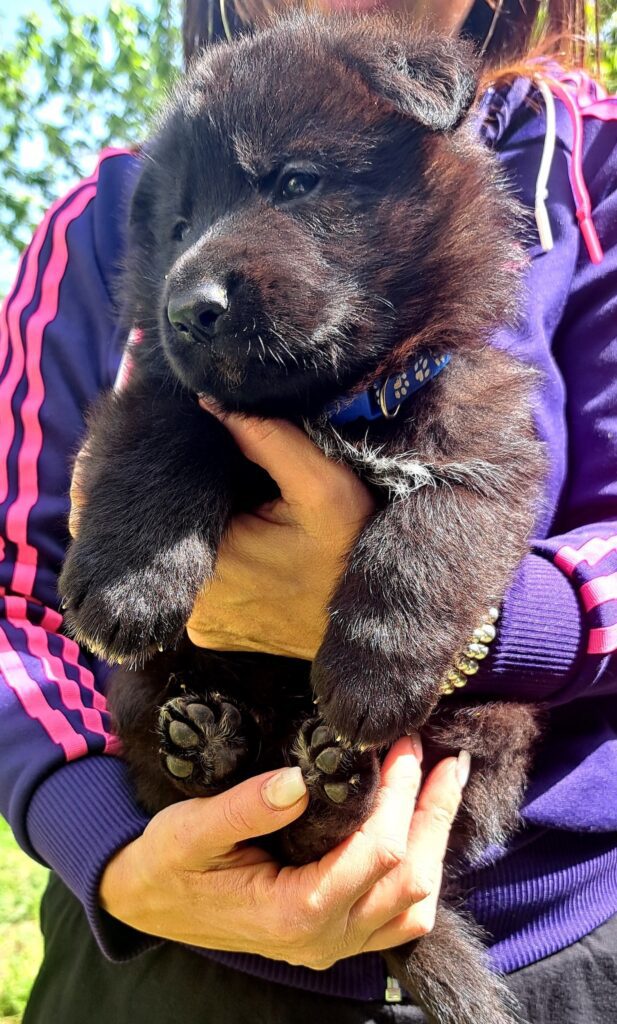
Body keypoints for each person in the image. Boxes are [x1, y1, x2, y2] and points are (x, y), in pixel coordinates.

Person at [0, 0, 616, 1021]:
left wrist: (483, 631)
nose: (200, 272)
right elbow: (17, 592)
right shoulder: (96, 217)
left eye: (292, 186)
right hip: (169, 946)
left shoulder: (592, 170)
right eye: (180, 228)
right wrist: (108, 846)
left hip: (547, 931)